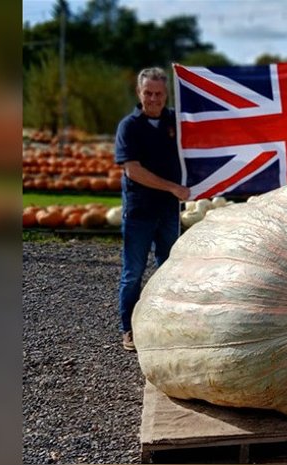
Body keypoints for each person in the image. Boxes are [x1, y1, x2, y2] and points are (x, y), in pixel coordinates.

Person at [114, 67, 190, 351]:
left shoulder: (177, 122)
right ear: (139, 93)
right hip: (140, 212)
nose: (154, 99)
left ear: (166, 94)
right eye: (148, 93)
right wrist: (172, 187)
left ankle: (166, 324)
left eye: (159, 93)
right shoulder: (129, 127)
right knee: (133, 272)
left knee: (169, 269)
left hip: (169, 211)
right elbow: (133, 170)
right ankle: (129, 329)